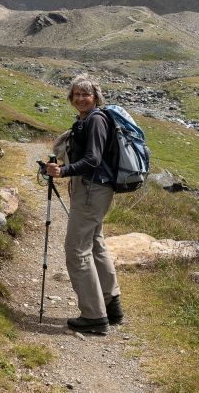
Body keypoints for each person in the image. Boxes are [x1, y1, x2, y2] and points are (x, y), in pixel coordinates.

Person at [45, 74, 122, 335]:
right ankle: (111, 306)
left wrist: (63, 172)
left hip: (92, 189)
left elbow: (93, 160)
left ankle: (94, 316)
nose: (80, 98)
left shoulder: (96, 120)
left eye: (85, 94)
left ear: (95, 97)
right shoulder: (86, 120)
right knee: (95, 242)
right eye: (76, 94)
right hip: (92, 188)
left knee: (76, 249)